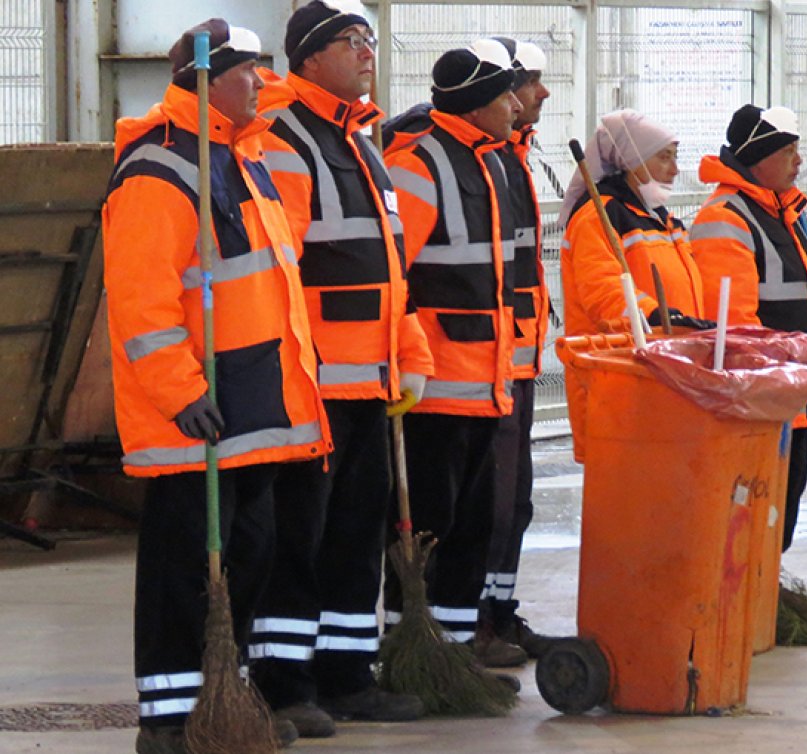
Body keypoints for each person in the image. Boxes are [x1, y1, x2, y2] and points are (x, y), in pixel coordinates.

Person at [104, 18, 331, 754]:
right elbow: (142, 301)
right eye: (248, 70)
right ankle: (167, 722)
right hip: (193, 415)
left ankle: (220, 703)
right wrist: (178, 390)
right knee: (183, 570)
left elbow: (270, 286)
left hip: (253, 406)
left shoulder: (246, 159)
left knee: (247, 556)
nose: (263, 83)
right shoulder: (159, 169)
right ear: (206, 77)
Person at [245, 0, 432, 737]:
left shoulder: (360, 142)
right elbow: (278, 269)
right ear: (311, 56)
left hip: (370, 383)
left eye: (369, 39)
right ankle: (285, 684)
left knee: (357, 535)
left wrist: (408, 356)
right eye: (352, 41)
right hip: (316, 382)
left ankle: (348, 675)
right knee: (301, 538)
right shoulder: (289, 141)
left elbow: (393, 270)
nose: (367, 52)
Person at [380, 39, 525, 666]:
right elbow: (393, 272)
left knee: (473, 524)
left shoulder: (488, 162)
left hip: (484, 381)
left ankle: (460, 647)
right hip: (435, 385)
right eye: (504, 96)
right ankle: (411, 641)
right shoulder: (420, 165)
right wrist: (407, 361)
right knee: (429, 524)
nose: (517, 106)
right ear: (474, 103)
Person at [689, 104, 807, 554]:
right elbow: (736, 329)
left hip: (791, 398)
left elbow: (795, 294)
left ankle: (766, 600)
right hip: (763, 406)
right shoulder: (727, 219)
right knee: (757, 517)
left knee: (781, 513)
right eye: (788, 151)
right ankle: (753, 607)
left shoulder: (786, 212)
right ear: (758, 157)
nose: (798, 161)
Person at [475, 36, 557, 665]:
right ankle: (469, 621)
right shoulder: (468, 159)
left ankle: (499, 613)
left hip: (518, 360)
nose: (541, 94)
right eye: (530, 81)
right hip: (479, 364)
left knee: (516, 501)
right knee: (486, 502)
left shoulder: (513, 157)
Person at [558, 109, 710, 338]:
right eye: (664, 157)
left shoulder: (665, 221)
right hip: (617, 364)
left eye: (675, 157)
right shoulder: (599, 216)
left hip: (668, 357)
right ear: (632, 161)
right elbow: (602, 290)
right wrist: (655, 316)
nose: (675, 170)